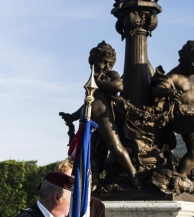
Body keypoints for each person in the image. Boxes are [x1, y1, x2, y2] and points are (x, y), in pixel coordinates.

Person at [60, 41, 141, 189]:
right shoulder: (94, 76)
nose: (106, 66)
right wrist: (72, 116)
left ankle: (134, 176)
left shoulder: (109, 75)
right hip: (89, 115)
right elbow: (87, 102)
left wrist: (97, 81)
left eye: (110, 63)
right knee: (90, 153)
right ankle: (95, 181)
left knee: (115, 146)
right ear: (93, 61)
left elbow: (119, 86)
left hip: (104, 116)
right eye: (103, 62)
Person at [151, 40, 194, 179]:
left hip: (192, 115)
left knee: (193, 153)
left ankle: (179, 178)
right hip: (179, 118)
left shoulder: (191, 74)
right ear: (185, 60)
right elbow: (156, 89)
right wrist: (169, 93)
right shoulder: (173, 77)